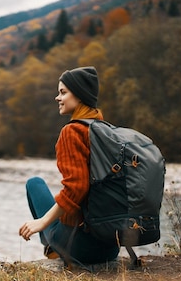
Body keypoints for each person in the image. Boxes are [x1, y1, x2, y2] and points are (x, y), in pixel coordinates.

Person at [18, 66, 120, 267]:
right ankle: (52, 246)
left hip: (78, 248)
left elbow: (77, 188)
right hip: (111, 247)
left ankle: (51, 246)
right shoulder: (107, 131)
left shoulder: (72, 132)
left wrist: (42, 222)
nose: (57, 97)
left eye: (63, 92)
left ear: (80, 95)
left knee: (34, 183)